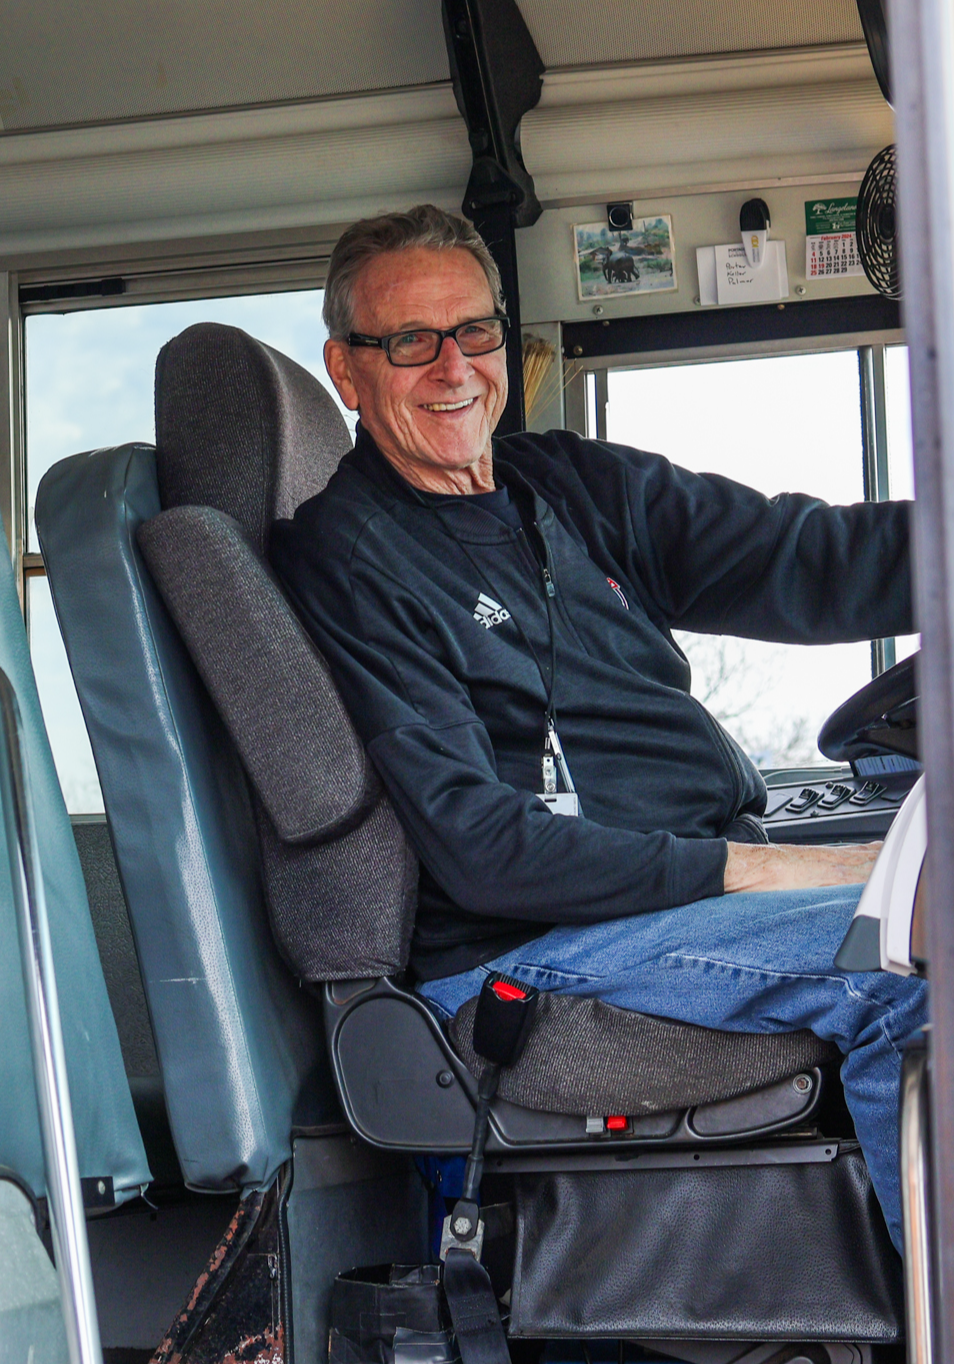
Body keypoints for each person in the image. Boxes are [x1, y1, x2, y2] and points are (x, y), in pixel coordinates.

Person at [269, 203, 924, 1249]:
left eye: (474, 332)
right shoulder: (349, 560)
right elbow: (483, 850)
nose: (452, 368)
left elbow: (804, 559)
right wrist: (759, 871)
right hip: (528, 953)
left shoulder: (562, 484)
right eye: (409, 343)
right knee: (916, 954)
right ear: (348, 372)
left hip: (669, 900)